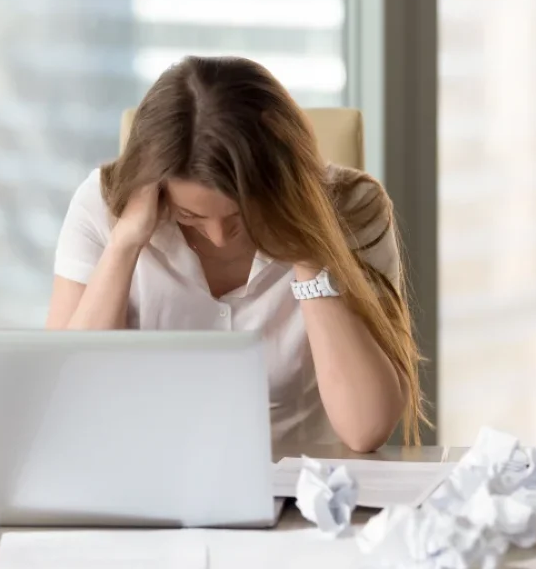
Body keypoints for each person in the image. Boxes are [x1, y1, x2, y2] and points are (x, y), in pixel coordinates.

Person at [46, 56, 425, 452]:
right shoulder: (101, 208)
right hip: (144, 475)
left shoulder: (354, 207)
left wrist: (309, 249)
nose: (218, 236)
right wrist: (124, 245)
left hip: (303, 481)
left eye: (239, 215)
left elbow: (366, 428)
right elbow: (66, 404)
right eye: (191, 215)